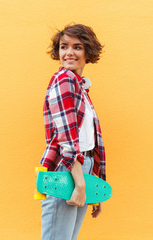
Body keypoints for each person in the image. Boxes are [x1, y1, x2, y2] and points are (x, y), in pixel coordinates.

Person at [39, 23, 106, 240]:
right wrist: (79, 183)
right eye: (63, 47)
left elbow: (87, 141)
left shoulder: (80, 87)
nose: (69, 52)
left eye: (77, 47)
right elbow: (67, 138)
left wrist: (93, 187)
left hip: (81, 169)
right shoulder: (64, 80)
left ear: (88, 51)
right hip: (68, 170)